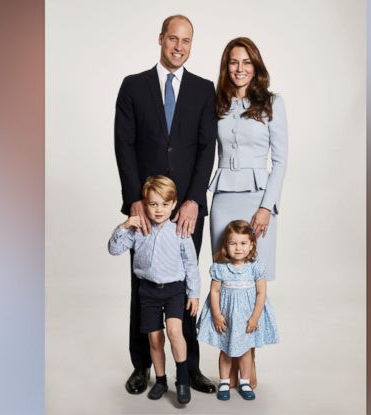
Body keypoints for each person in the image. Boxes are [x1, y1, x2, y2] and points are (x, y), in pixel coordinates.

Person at [114, 14, 218, 395]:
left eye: (186, 41)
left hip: (186, 211)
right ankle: (142, 365)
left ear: (192, 44)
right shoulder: (133, 86)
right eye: (173, 39)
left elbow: (208, 148)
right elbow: (123, 145)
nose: (179, 47)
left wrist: (193, 200)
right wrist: (134, 202)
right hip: (147, 208)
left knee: (186, 287)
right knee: (142, 287)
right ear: (161, 39)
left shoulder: (204, 90)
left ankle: (188, 370)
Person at [208, 37, 287, 388]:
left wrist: (266, 207)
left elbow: (281, 160)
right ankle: (228, 365)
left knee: (253, 282)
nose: (239, 69)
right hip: (223, 197)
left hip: (258, 200)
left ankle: (249, 362)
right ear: (226, 68)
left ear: (256, 67)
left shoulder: (272, 103)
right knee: (227, 283)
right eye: (233, 62)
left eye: (246, 62)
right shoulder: (217, 104)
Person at [108, 176, 202, 404]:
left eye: (164, 204)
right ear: (145, 204)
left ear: (173, 204)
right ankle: (161, 380)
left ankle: (182, 380)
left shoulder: (180, 231)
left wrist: (194, 294)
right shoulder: (139, 230)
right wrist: (124, 226)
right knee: (155, 339)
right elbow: (114, 249)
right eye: (153, 204)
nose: (159, 210)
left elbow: (191, 265)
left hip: (174, 290)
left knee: (174, 332)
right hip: (148, 291)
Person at [197, 220, 280, 401]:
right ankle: (225, 381)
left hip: (247, 319)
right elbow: (214, 291)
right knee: (225, 350)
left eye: (243, 243)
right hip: (227, 317)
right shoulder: (220, 268)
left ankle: (244, 381)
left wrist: (255, 317)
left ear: (251, 246)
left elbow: (261, 293)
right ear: (225, 246)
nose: (238, 248)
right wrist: (217, 315)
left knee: (245, 351)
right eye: (233, 243)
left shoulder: (255, 268)